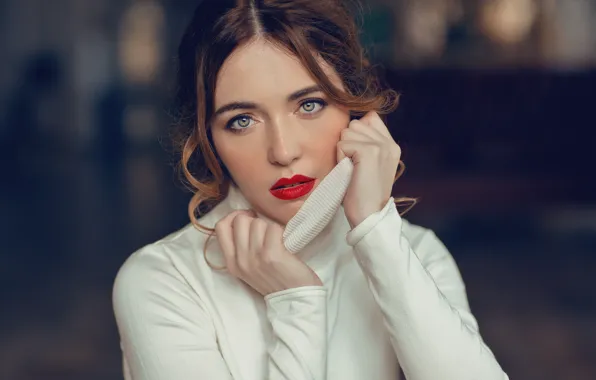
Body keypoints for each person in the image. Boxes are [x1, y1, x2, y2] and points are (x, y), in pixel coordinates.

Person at [112, 0, 509, 379]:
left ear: (353, 112)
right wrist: (296, 301)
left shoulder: (416, 255)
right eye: (242, 120)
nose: (283, 152)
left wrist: (376, 233)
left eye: (309, 105)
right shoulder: (163, 282)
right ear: (208, 138)